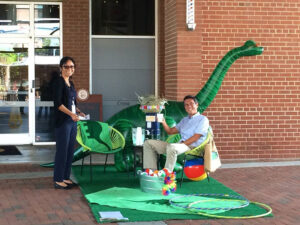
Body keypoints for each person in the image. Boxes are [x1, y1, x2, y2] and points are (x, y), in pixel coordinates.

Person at [143, 95, 209, 172]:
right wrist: (163, 122)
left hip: (191, 147)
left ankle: (166, 174)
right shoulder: (185, 120)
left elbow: (196, 137)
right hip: (178, 146)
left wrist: (181, 144)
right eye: (186, 105)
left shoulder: (203, 119)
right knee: (148, 143)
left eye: (191, 103)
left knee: (172, 147)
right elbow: (170, 131)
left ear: (196, 105)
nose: (189, 106)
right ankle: (151, 172)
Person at [53, 56, 85, 189]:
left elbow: (72, 102)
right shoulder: (58, 83)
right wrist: (71, 114)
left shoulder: (71, 83)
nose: (70, 69)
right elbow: (58, 104)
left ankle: (66, 177)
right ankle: (58, 179)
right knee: (62, 150)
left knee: (70, 150)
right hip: (63, 121)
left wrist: (78, 111)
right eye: (67, 66)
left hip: (72, 121)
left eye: (72, 67)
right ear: (61, 68)